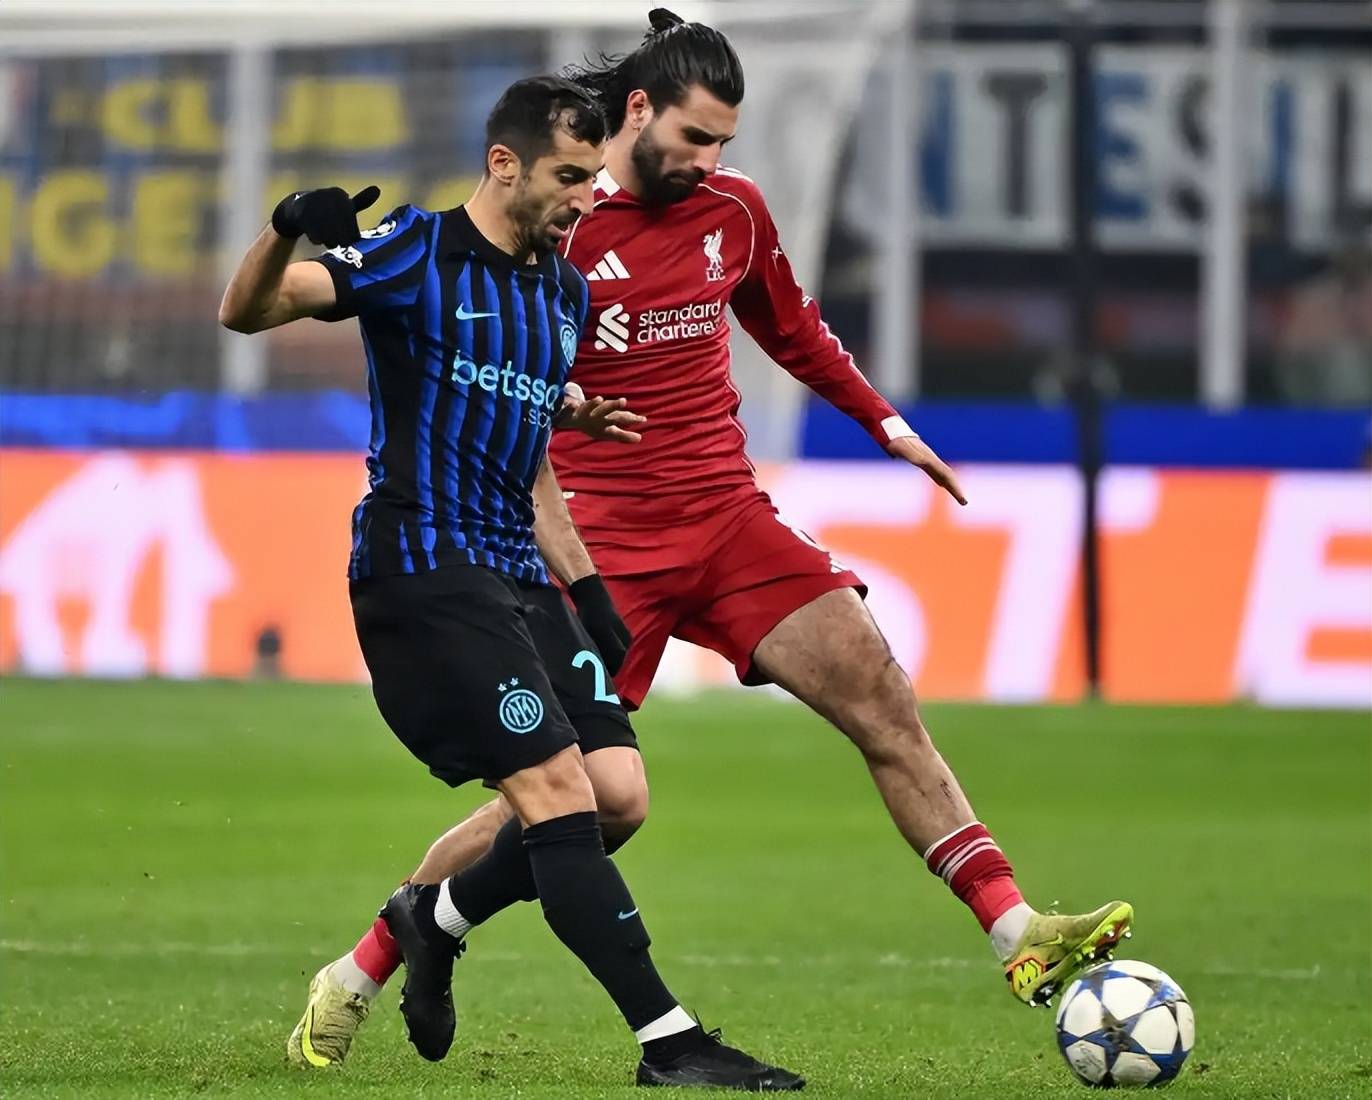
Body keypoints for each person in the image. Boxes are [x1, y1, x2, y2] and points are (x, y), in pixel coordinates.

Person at [288, 10, 1133, 1068]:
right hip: (599, 540)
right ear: (637, 110)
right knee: (584, 802)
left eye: (724, 142)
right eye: (694, 137)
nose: (709, 160)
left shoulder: (734, 212)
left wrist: (885, 423)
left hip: (729, 519)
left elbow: (792, 326)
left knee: (879, 690)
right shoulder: (558, 219)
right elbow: (484, 364)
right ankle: (379, 951)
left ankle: (1015, 930)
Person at [220, 73, 802, 1091]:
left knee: (617, 796)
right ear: (504, 164)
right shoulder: (414, 252)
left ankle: (431, 917)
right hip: (424, 572)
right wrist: (284, 229)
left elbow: (527, 458)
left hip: (520, 574)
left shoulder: (561, 293)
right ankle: (670, 1042)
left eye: (593, 176)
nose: (587, 198)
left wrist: (589, 591)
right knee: (556, 794)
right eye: (570, 177)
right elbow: (246, 310)